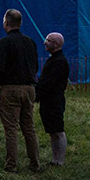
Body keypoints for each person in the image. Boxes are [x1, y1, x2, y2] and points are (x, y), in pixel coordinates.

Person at [0, 9, 40, 173]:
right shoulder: (30, 42)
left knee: (11, 128)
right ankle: (35, 162)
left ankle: (11, 164)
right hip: (29, 88)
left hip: (10, 88)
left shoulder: (4, 43)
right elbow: (35, 66)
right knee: (29, 127)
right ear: (20, 23)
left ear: (6, 23)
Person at [37, 32, 70, 166]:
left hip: (54, 100)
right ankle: (55, 158)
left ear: (56, 44)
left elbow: (50, 83)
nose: (45, 42)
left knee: (58, 131)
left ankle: (60, 160)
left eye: (48, 40)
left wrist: (37, 93)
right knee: (52, 131)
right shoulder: (54, 59)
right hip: (48, 100)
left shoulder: (59, 61)